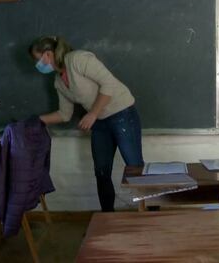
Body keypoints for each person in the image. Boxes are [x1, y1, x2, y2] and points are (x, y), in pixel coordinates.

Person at [29, 36, 144, 211]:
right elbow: (64, 114)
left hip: (122, 114)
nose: (37, 64)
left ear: (48, 54)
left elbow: (109, 83)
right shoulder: (59, 82)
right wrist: (36, 120)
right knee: (101, 172)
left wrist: (93, 113)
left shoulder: (77, 59)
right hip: (99, 123)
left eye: (37, 59)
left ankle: (151, 216)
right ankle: (107, 220)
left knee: (135, 168)